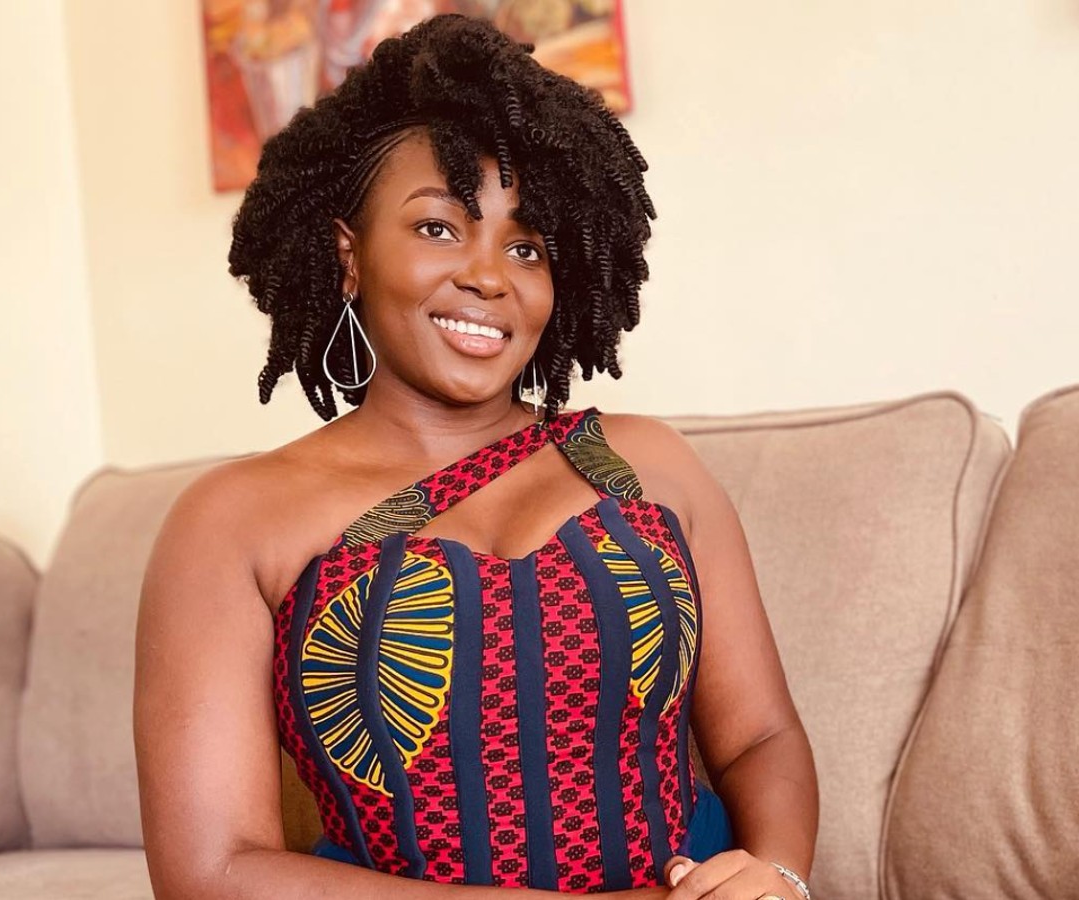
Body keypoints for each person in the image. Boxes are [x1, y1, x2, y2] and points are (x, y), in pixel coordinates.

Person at [134, 13, 818, 900]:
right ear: (350, 258)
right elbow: (210, 870)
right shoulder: (231, 521)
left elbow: (760, 736)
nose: (489, 275)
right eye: (438, 229)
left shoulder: (649, 465)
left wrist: (780, 876)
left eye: (526, 246)